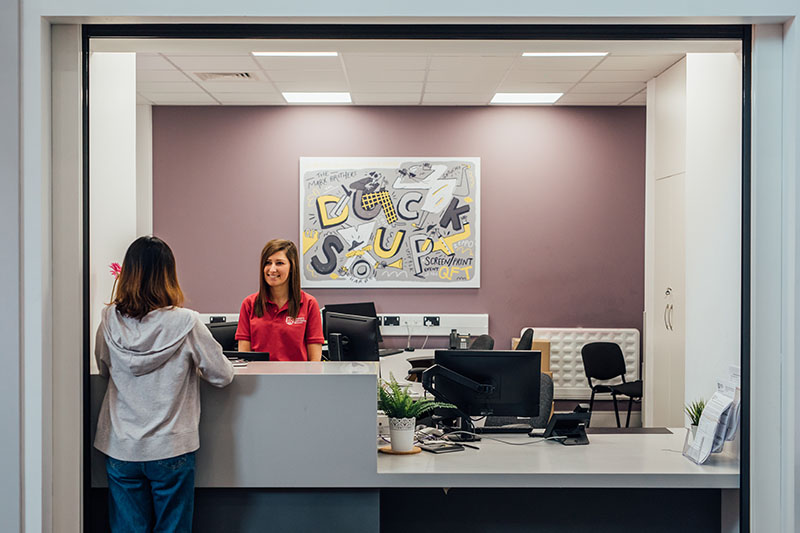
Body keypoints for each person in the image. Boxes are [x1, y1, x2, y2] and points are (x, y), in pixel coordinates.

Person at [94, 236, 234, 533]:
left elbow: (104, 367)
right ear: (168, 275)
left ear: (129, 273)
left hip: (122, 446)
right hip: (171, 447)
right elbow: (222, 376)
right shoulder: (187, 322)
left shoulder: (109, 320)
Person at [236, 239, 324, 361]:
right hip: (259, 378)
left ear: (292, 267)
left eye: (279, 263)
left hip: (297, 379)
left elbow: (314, 363)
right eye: (267, 263)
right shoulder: (249, 304)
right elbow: (243, 359)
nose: (272, 269)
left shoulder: (309, 304)